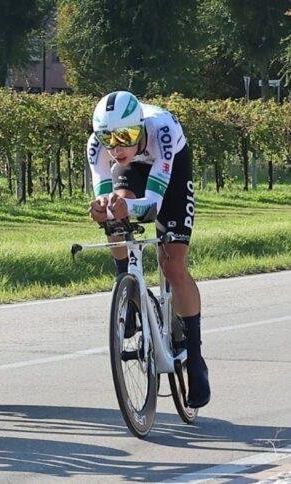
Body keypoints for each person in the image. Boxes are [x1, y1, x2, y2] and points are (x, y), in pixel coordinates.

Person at [87, 90, 210, 408]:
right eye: (108, 138)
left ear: (141, 127)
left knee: (173, 266)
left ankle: (195, 357)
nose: (117, 147)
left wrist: (128, 208)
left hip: (169, 170)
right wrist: (104, 209)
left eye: (126, 136)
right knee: (114, 212)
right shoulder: (98, 148)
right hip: (133, 172)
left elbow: (153, 204)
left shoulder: (162, 131)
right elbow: (104, 195)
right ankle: (126, 284)